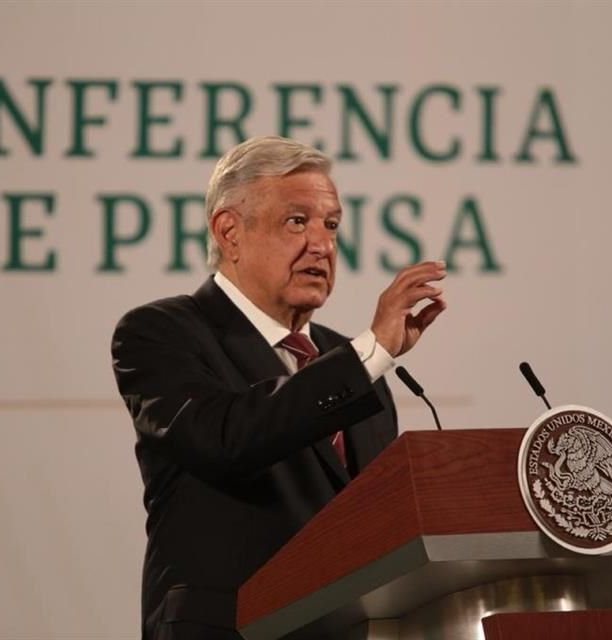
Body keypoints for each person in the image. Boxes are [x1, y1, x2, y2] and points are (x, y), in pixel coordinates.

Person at [111, 136, 446, 640]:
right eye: (297, 221)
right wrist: (371, 353)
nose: (322, 244)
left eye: (331, 225)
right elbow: (228, 439)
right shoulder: (162, 332)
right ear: (230, 232)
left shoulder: (351, 363)